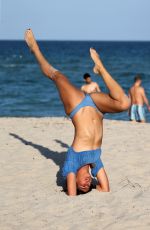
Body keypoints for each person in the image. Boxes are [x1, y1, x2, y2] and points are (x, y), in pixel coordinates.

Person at [25, 29, 130, 196]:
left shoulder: (70, 166)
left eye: (82, 185)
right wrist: (94, 182)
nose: (86, 184)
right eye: (88, 186)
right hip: (97, 107)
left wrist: (73, 187)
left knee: (57, 76)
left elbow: (72, 195)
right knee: (124, 103)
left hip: (77, 106)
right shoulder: (96, 163)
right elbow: (105, 189)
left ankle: (34, 49)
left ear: (72, 180)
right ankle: (100, 67)